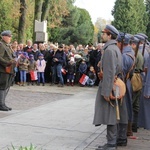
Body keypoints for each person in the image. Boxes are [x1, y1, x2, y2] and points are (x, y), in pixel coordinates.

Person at [93, 25, 128, 150]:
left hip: (111, 85)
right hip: (115, 83)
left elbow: (109, 72)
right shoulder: (115, 48)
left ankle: (111, 143)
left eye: (104, 33)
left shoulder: (109, 50)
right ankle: (112, 141)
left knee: (110, 115)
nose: (102, 35)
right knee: (113, 114)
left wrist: (106, 92)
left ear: (109, 35)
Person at [0, 30, 16, 111]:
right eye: (9, 36)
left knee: (6, 86)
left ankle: (3, 103)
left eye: (10, 36)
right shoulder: (1, 45)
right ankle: (1, 104)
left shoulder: (7, 45)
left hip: (9, 69)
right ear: (4, 37)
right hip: (3, 69)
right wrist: (7, 63)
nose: (10, 38)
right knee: (2, 86)